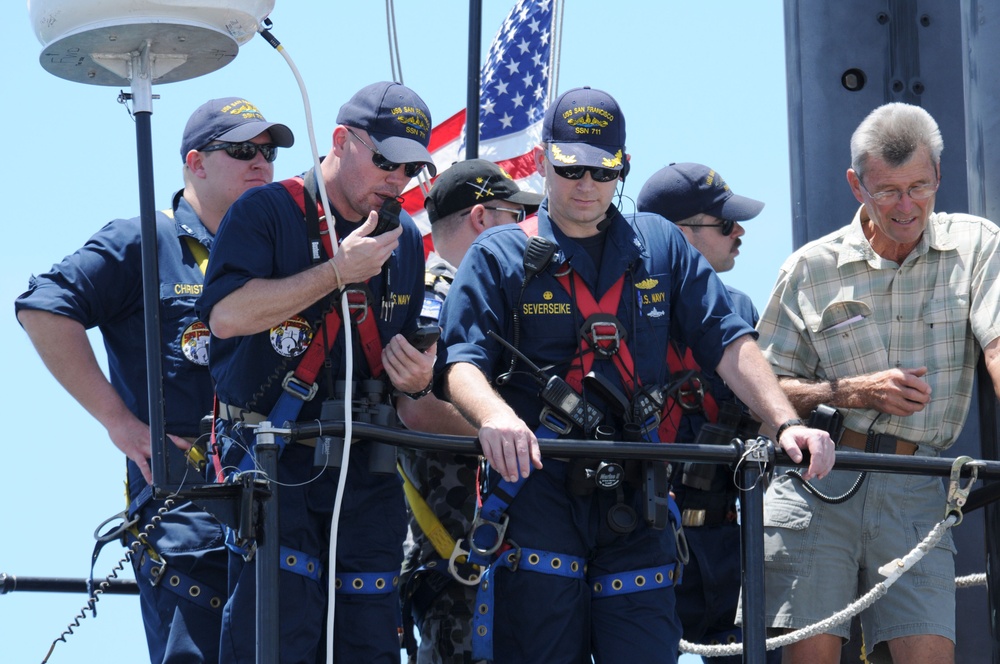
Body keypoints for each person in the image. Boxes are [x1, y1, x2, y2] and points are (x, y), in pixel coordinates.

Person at [436, 86, 835, 664]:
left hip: (639, 496)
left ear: (622, 164)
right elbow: (461, 362)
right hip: (537, 493)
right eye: (570, 166)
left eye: (602, 170)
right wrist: (495, 416)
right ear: (544, 158)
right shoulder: (498, 254)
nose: (585, 184)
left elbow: (726, 339)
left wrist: (784, 423)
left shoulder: (660, 245)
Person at [15, 97, 294, 663]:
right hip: (184, 512)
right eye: (242, 150)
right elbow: (43, 308)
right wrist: (119, 423)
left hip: (279, 506)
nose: (261, 163)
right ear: (195, 163)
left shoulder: (282, 256)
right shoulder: (145, 239)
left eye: (268, 152)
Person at [197, 81, 438, 664]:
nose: (397, 178)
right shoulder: (267, 211)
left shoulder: (403, 239)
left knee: (369, 640)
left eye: (410, 167)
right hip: (275, 458)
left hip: (365, 468)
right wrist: (336, 272)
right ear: (340, 141)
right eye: (385, 160)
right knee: (277, 636)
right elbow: (225, 318)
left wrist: (416, 379)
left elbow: (404, 369)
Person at [753, 101, 1000, 664]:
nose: (907, 206)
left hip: (917, 483)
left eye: (919, 186)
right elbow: (759, 393)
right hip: (817, 481)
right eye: (888, 191)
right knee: (810, 654)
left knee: (930, 652)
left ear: (939, 174)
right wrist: (850, 392)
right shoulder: (809, 269)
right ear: (855, 184)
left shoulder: (979, 245)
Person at [398, 159, 542, 664]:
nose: (529, 227)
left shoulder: (521, 298)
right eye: (516, 215)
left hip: (530, 541)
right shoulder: (431, 294)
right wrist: (525, 439)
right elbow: (418, 409)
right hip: (460, 545)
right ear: (482, 218)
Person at [637, 162, 780, 664]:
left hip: (727, 540)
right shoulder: (628, 308)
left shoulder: (739, 312)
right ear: (676, 235)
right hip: (640, 535)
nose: (738, 231)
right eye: (724, 223)